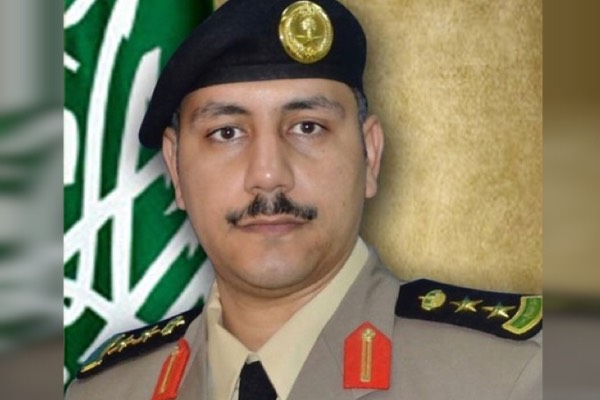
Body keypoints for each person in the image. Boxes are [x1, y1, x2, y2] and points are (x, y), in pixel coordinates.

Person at [65, 0, 542, 399]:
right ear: (175, 167)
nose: (268, 174)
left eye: (307, 127)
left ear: (370, 155)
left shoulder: (515, 374)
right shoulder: (107, 391)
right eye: (227, 132)